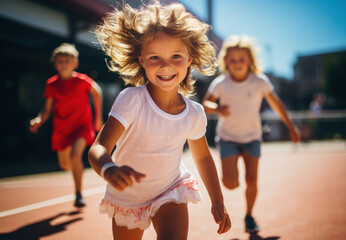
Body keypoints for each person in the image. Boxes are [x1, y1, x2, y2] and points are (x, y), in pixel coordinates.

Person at [88, 2, 231, 239]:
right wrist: (108, 168)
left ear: (190, 59)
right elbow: (99, 147)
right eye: (155, 57)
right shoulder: (132, 99)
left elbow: (203, 156)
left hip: (170, 190)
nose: (166, 65)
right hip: (128, 198)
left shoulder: (194, 112)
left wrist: (217, 199)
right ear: (142, 60)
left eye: (176, 55)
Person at [202, 35, 301, 233]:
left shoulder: (259, 82)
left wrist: (291, 126)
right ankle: (233, 175)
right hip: (228, 138)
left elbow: (276, 104)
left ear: (250, 61)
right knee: (230, 183)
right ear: (226, 62)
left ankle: (248, 215)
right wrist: (218, 108)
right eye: (232, 60)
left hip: (252, 138)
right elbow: (205, 103)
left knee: (252, 180)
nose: (237, 63)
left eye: (242, 59)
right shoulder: (221, 83)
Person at [30, 43, 103, 208]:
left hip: (82, 126)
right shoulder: (52, 84)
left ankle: (78, 195)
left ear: (75, 63)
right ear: (55, 64)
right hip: (62, 128)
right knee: (65, 164)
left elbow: (97, 92)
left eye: (67, 60)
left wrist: (97, 119)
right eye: (60, 61)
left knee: (75, 157)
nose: (64, 63)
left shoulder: (82, 81)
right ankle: (77, 170)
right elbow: (46, 110)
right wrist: (38, 120)